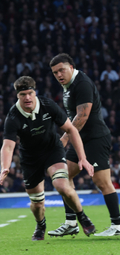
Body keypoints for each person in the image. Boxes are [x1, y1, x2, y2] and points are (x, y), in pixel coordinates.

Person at [0, 76, 96, 240]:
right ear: (17, 96)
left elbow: (71, 129)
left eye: (30, 93)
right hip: (30, 159)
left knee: (62, 186)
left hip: (53, 150)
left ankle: (82, 217)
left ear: (34, 92)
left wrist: (82, 157)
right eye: (23, 94)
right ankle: (41, 225)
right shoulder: (13, 116)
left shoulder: (47, 105)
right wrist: (5, 167)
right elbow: (8, 146)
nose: (28, 97)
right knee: (37, 204)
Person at [49, 53, 120, 237]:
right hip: (80, 139)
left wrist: (65, 139)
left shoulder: (81, 83)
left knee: (102, 182)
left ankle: (117, 226)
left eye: (62, 70)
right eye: (55, 72)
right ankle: (71, 223)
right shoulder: (68, 85)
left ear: (71, 68)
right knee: (64, 176)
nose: (59, 75)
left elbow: (82, 116)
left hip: (96, 138)